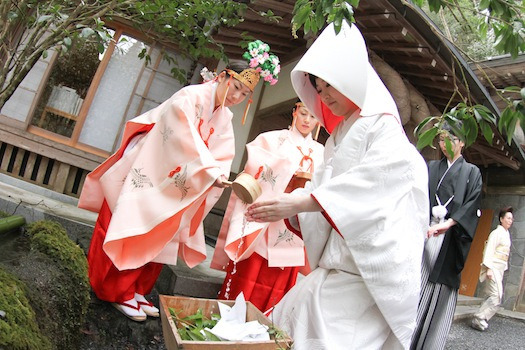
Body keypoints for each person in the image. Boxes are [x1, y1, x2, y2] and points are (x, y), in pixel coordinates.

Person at [246, 22, 429, 350]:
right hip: (340, 262)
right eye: (317, 88)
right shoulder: (340, 137)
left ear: (352, 77)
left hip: (368, 270)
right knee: (291, 317)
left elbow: (375, 182)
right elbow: (324, 188)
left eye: (329, 84)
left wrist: (301, 204)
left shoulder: (382, 126)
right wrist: (292, 207)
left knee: (319, 333)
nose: (324, 95)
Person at [78, 40, 280, 322]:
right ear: (223, 76)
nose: (238, 96)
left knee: (163, 235)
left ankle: (135, 289)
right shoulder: (190, 97)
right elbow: (181, 135)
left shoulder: (223, 115)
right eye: (236, 87)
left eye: (245, 94)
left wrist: (218, 173)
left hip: (179, 179)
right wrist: (208, 168)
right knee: (135, 225)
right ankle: (114, 290)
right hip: (151, 169)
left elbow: (223, 150)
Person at [210, 101, 324, 313]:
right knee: (252, 268)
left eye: (313, 116)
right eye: (303, 113)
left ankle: (267, 322)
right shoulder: (271, 139)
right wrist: (287, 176)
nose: (307, 120)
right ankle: (233, 314)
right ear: (294, 112)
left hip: (294, 220)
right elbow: (253, 169)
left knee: (280, 276)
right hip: (267, 213)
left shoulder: (322, 152)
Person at [411, 122, 483, 349]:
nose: (445, 145)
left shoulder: (472, 173)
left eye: (451, 139)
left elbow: (471, 206)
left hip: (450, 238)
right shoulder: (431, 167)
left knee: (439, 294)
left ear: (462, 142)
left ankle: (430, 344)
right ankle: (403, 340)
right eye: (441, 139)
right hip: (425, 234)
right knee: (415, 286)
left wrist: (450, 224)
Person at [471, 206, 513, 331]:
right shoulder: (496, 233)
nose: (510, 221)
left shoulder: (506, 234)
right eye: (508, 218)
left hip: (499, 270)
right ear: (501, 219)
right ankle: (479, 317)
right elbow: (489, 250)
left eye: (512, 219)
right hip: (493, 268)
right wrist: (488, 268)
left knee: (494, 296)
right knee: (496, 296)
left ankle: (478, 319)